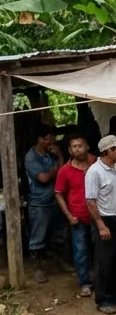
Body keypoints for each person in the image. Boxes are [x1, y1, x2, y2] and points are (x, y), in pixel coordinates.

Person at [84, 134, 116, 315]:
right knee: (103, 261)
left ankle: (115, 294)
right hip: (104, 219)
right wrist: (101, 225)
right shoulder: (94, 172)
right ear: (106, 151)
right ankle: (103, 298)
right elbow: (90, 201)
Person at [54, 133, 96, 297]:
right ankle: (85, 282)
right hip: (78, 217)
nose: (77, 149)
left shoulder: (96, 163)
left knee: (100, 250)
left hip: (98, 215)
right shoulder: (65, 170)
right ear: (70, 151)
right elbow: (58, 193)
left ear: (87, 147)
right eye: (74, 147)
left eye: (80, 145)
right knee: (80, 251)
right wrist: (69, 216)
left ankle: (101, 280)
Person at [24, 124, 64, 283]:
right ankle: (38, 268)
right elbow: (43, 178)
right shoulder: (31, 157)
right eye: (48, 138)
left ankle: (61, 262)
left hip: (55, 199)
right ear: (40, 139)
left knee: (60, 232)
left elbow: (62, 171)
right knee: (38, 237)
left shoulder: (51, 154)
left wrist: (60, 155)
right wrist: (56, 169)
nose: (51, 141)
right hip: (39, 203)